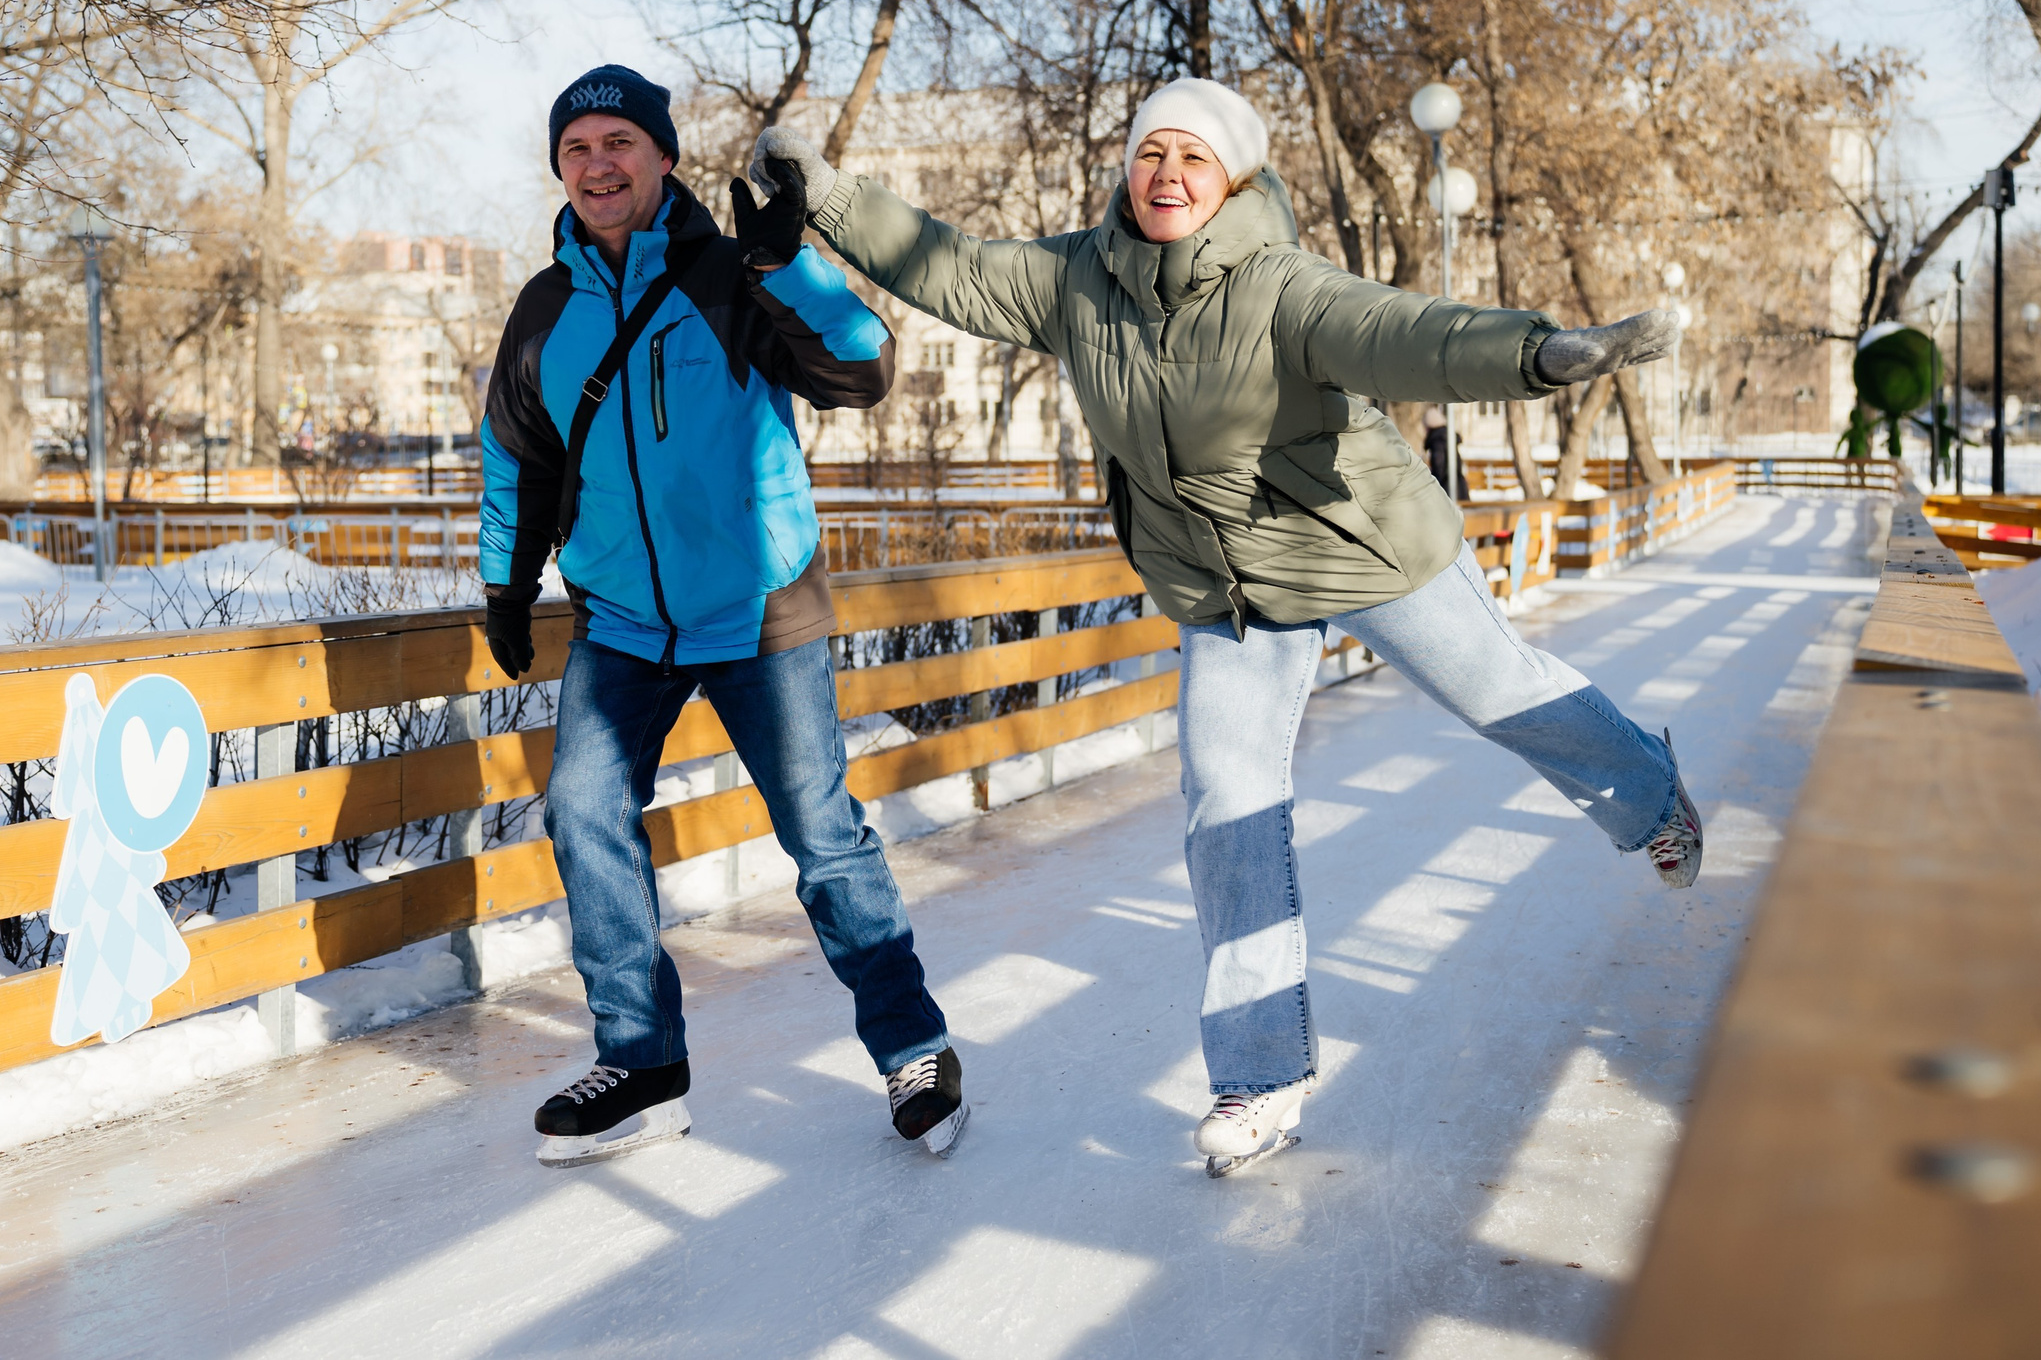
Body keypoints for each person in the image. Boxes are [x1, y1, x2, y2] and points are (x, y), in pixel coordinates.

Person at [747, 77, 1698, 1175]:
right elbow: (943, 262)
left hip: (1363, 544)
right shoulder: (1076, 282)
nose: (1167, 175)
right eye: (1152, 153)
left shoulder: (1283, 287)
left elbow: (1410, 334)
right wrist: (822, 194)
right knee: (1226, 799)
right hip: (1227, 589)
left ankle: (1649, 794)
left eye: (1193, 158)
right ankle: (1259, 1072)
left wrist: (1539, 353)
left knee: (1502, 691)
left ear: (1234, 178)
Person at [478, 64, 967, 1166]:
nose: (598, 164)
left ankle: (912, 1044)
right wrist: (506, 588)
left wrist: (788, 262)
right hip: (620, 621)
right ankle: (642, 1062)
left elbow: (862, 369)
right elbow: (514, 459)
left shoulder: (732, 272)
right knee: (583, 813)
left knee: (823, 839)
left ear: (661, 156)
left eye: (619, 143)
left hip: (760, 607)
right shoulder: (545, 308)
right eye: (577, 148)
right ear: (560, 168)